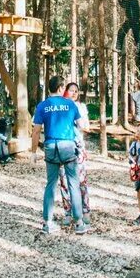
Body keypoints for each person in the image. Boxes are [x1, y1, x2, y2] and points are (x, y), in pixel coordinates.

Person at [32, 75, 88, 235]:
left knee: (51, 184)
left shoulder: (42, 106)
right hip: (68, 146)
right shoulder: (70, 104)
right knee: (73, 183)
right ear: (61, 88)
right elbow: (81, 125)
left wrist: (33, 152)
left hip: (50, 145)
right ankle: (79, 222)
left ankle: (47, 223)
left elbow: (36, 130)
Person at [58, 82, 91, 224]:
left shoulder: (81, 107)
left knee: (81, 180)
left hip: (77, 147)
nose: (73, 93)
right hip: (62, 146)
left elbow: (86, 126)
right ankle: (67, 211)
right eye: (71, 90)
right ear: (65, 91)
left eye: (76, 91)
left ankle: (85, 210)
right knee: (64, 181)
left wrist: (78, 122)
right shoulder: (59, 106)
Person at [117, 0, 140, 72]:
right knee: (137, 37)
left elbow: (123, 4)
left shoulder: (131, 1)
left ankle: (118, 48)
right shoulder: (134, 1)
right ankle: (139, 51)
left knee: (121, 33)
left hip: (132, 21)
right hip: (135, 21)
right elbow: (124, 4)